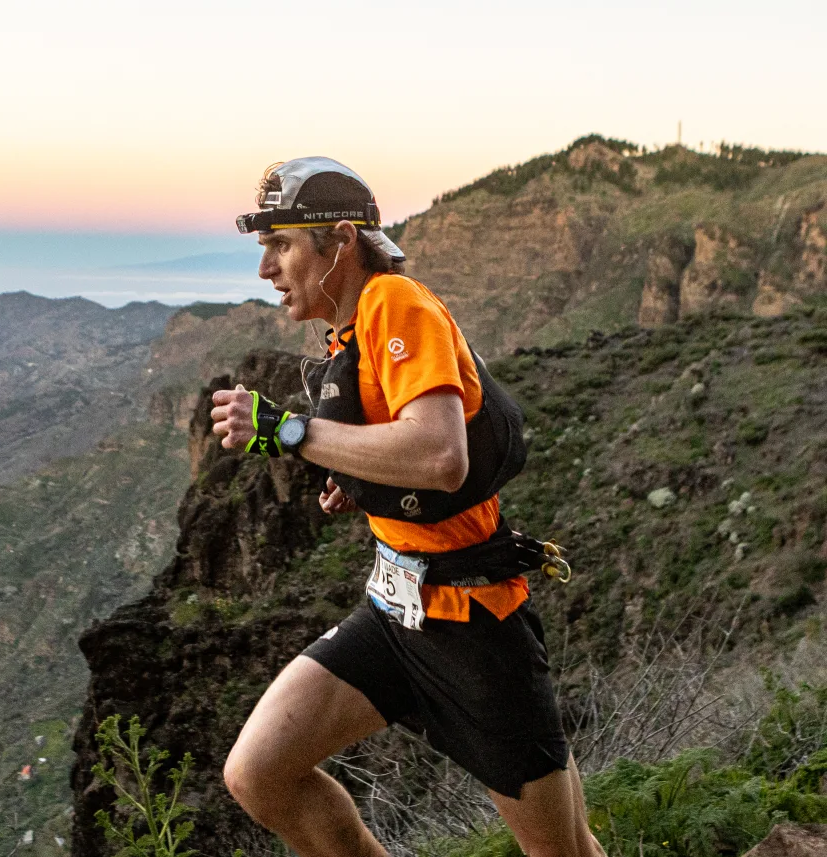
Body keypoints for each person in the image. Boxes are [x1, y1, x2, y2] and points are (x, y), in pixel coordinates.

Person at [210, 158, 604, 857]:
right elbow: (401, 449)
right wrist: (358, 478)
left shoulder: (396, 304)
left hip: (475, 628)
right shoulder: (351, 330)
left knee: (564, 852)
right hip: (396, 610)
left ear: (338, 241)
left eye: (283, 246)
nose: (267, 268)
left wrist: (288, 430)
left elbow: (440, 456)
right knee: (258, 773)